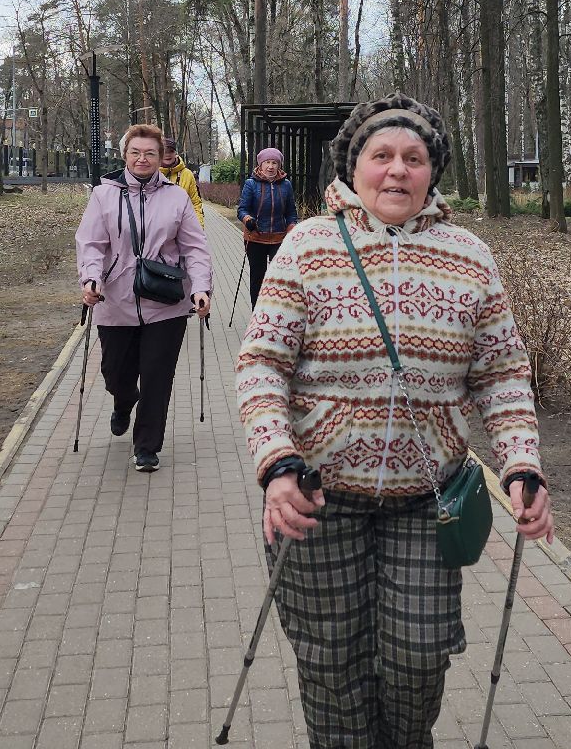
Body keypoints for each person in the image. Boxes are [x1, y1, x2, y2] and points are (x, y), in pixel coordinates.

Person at [234, 94, 553, 747]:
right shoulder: (308, 248)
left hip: (427, 502)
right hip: (317, 499)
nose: (397, 171)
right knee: (330, 662)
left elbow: (501, 374)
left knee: (419, 654)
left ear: (432, 171)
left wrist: (522, 463)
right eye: (382, 156)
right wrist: (277, 462)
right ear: (356, 168)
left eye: (413, 158)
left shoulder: (469, 257)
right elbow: (262, 364)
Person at [75, 123, 213, 473]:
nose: (142, 158)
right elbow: (91, 243)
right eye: (135, 152)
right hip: (115, 299)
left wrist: (200, 287)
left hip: (165, 299)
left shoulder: (176, 196)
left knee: (156, 375)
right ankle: (124, 401)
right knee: (115, 373)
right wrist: (91, 279)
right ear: (124, 156)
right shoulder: (103, 195)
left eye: (149, 153)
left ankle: (147, 445)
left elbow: (195, 247)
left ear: (159, 158)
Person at [236, 147, 297, 307]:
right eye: (267, 162)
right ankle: (257, 314)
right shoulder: (251, 184)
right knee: (258, 277)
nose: (271, 166)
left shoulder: (286, 185)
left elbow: (291, 212)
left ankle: (277, 312)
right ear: (261, 165)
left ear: (279, 165)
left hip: (279, 238)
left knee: (280, 277)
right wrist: (248, 219)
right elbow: (242, 209)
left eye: (274, 163)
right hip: (255, 237)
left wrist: (292, 226)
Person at [160, 137, 204, 227]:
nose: (167, 154)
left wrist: (198, 228)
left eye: (171, 151)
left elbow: (195, 203)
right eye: (164, 151)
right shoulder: (152, 173)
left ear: (175, 153)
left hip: (184, 230)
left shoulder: (187, 174)